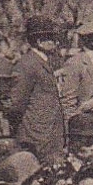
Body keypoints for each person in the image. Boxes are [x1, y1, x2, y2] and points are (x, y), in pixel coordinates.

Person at [7, 16, 66, 164]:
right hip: (35, 137)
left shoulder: (43, 62)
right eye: (52, 38)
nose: (57, 42)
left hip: (50, 134)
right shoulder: (27, 65)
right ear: (39, 42)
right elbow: (16, 104)